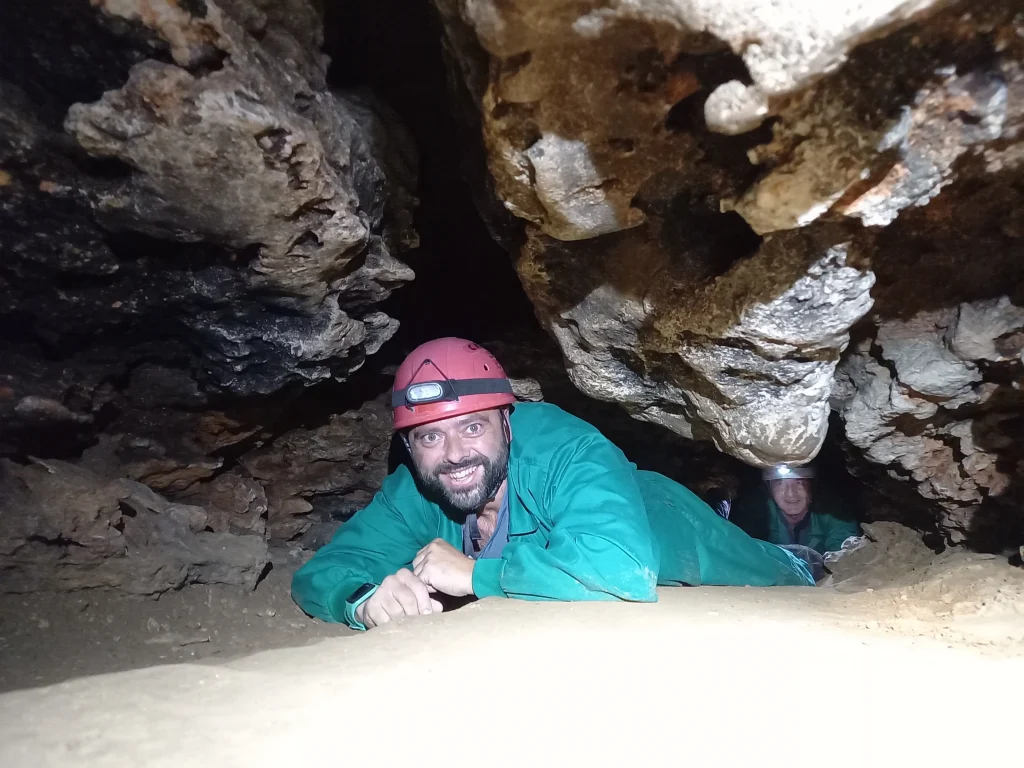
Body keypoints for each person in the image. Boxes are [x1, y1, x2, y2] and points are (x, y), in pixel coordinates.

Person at [292, 338, 814, 630]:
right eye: (429, 436)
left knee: (773, 567)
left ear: (506, 423)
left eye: (472, 427)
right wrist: (362, 599)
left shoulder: (568, 450)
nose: (453, 455)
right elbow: (323, 572)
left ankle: (798, 556)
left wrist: (476, 575)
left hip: (665, 522)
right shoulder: (416, 489)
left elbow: (617, 568)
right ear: (409, 447)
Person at [731, 465, 861, 562]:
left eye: (799, 482)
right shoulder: (756, 512)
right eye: (780, 483)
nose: (790, 493)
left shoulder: (835, 513)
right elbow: (743, 554)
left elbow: (843, 560)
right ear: (769, 489)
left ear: (812, 487)